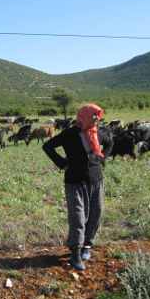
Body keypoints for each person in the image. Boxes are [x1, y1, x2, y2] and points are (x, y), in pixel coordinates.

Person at [42, 103, 106, 271]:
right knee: (77, 217)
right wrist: (62, 162)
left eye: (98, 117)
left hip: (96, 180)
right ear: (83, 116)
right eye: (94, 117)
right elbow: (47, 146)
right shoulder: (70, 134)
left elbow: (111, 142)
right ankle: (75, 254)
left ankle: (87, 246)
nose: (97, 120)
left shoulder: (98, 132)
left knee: (95, 214)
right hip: (74, 181)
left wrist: (101, 160)